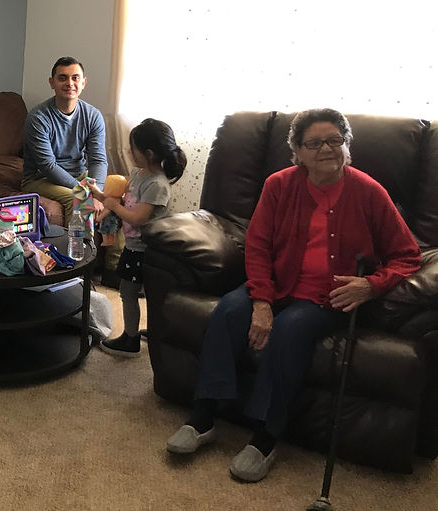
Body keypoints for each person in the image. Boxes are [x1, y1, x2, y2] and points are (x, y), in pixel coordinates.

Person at [165, 108, 420, 483]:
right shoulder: (279, 185)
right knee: (229, 311)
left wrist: (371, 285)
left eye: (335, 140)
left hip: (328, 297)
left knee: (290, 329)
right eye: (314, 143)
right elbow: (258, 246)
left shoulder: (369, 191)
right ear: (297, 151)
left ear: (347, 146)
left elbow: (408, 255)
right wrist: (261, 301)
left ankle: (266, 437)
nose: (326, 149)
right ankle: (203, 416)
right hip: (277, 283)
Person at [89, 118, 186, 357]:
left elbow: (138, 218)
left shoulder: (158, 185)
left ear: (149, 153)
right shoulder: (137, 174)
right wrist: (99, 194)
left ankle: (130, 339)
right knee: (134, 291)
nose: (130, 152)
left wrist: (114, 206)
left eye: (133, 148)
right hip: (133, 245)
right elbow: (121, 199)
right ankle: (151, 332)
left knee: (129, 293)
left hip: (146, 250)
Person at [22, 56, 108, 224]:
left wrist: (97, 191)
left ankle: (113, 244)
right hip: (40, 179)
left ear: (83, 82)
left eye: (75, 78)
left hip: (79, 175)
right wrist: (84, 192)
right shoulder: (37, 118)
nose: (70, 83)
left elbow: (98, 160)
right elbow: (48, 166)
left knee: (115, 196)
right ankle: (75, 241)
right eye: (62, 78)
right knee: (77, 199)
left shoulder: (93, 116)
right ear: (52, 83)